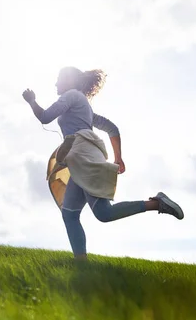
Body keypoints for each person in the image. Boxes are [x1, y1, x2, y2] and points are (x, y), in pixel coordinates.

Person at [22, 66, 184, 260]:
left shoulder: (72, 95)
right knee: (70, 215)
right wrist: (118, 157)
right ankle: (82, 266)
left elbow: (45, 117)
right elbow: (112, 128)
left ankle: (157, 203)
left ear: (71, 81)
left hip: (83, 158)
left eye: (59, 78)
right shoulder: (85, 107)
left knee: (104, 213)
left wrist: (32, 101)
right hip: (81, 160)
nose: (56, 83)